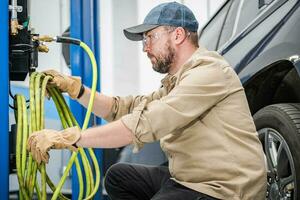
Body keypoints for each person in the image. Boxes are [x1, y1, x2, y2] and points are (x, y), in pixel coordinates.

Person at [27, 2, 267, 200]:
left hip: (225, 189)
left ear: (178, 34)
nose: (145, 48)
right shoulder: (177, 82)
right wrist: (76, 90)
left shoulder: (209, 72)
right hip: (189, 180)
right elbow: (124, 108)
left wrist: (72, 138)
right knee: (118, 176)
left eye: (150, 37)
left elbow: (146, 122)